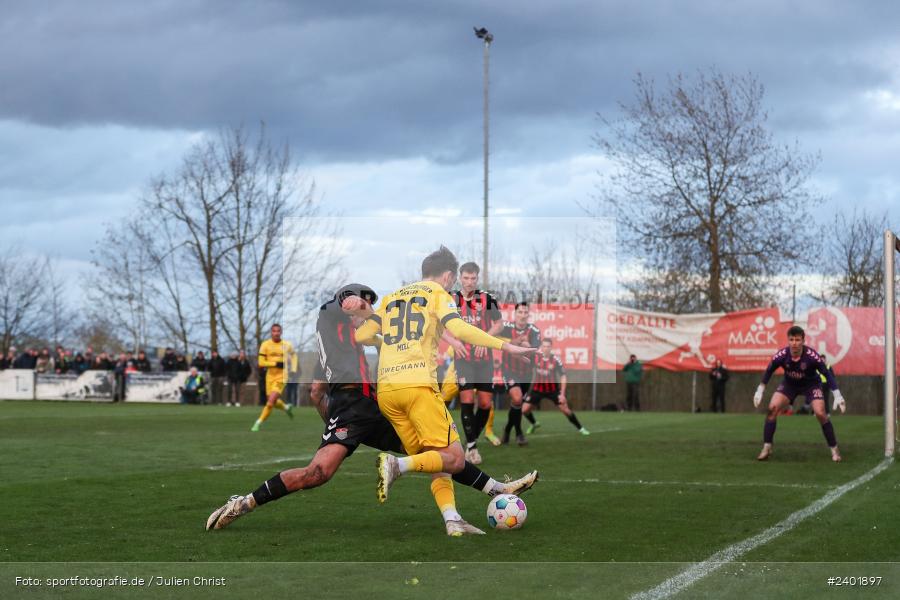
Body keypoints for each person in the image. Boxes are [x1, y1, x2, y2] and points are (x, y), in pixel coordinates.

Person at [206, 283, 538, 536]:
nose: (367, 309)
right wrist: (350, 302)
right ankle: (244, 502)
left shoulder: (356, 331)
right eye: (363, 303)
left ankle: (481, 499)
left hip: (375, 403)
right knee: (317, 474)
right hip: (351, 406)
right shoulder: (331, 316)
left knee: (435, 452)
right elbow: (334, 331)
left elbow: (319, 387)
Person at [345, 247, 537, 527]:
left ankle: (453, 520)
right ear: (447, 275)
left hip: (387, 391)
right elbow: (459, 329)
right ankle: (396, 465)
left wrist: (379, 332)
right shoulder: (437, 294)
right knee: (454, 456)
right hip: (417, 387)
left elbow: (362, 335)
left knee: (439, 459)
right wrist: (505, 346)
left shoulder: (392, 297)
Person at [753, 325, 846, 462]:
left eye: (797, 340)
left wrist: (837, 395)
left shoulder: (812, 356)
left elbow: (827, 373)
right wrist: (760, 390)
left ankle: (834, 449)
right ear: (788, 340)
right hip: (790, 385)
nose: (794, 343)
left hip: (811, 385)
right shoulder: (782, 355)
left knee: (820, 413)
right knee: (772, 408)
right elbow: (769, 370)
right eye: (791, 340)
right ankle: (767, 447)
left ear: (803, 340)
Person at [451, 261, 504, 464]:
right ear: (460, 277)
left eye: (473, 278)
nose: (469, 282)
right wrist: (454, 342)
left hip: (484, 359)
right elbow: (440, 323)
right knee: (466, 401)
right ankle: (472, 447)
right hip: (463, 357)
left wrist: (485, 338)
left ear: (477, 278)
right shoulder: (451, 299)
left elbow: (498, 323)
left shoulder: (487, 299)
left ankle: (470, 443)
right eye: (466, 278)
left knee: (484, 403)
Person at [522, 338, 589, 436]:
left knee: (566, 410)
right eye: (544, 346)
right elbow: (526, 365)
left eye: (548, 346)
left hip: (552, 390)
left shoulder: (556, 360)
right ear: (541, 347)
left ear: (551, 348)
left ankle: (581, 428)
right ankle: (534, 423)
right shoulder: (536, 357)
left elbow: (563, 376)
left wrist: (562, 394)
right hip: (537, 389)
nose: (546, 348)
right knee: (524, 410)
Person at [499, 302, 541, 445]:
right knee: (517, 399)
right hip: (509, 369)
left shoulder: (534, 330)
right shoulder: (506, 328)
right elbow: (498, 342)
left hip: (526, 373)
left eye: (525, 312)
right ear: (515, 314)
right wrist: (516, 342)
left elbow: (534, 349)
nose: (522, 315)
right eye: (520, 312)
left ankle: (507, 429)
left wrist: (527, 346)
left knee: (517, 403)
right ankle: (519, 433)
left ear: (528, 315)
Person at [250, 324, 295, 431]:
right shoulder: (265, 345)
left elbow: (294, 357)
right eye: (274, 331)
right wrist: (275, 363)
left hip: (282, 376)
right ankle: (286, 407)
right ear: (271, 332)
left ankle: (258, 423)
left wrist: (293, 369)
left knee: (270, 402)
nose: (276, 333)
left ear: (281, 332)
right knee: (273, 402)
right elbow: (261, 363)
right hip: (269, 376)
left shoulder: (287, 345)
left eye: (278, 331)